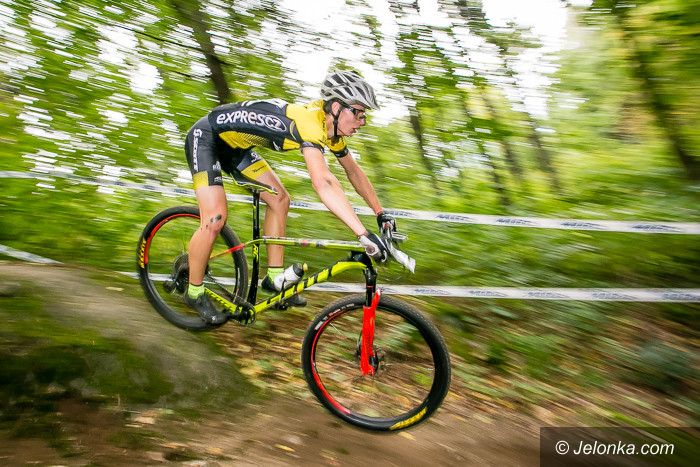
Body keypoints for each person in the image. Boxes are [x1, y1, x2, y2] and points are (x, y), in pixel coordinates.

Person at [183, 70, 397, 324]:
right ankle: (194, 291)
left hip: (236, 149)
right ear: (337, 108)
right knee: (215, 218)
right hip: (206, 138)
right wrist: (362, 234)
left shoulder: (331, 130)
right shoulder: (310, 122)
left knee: (280, 199)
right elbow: (324, 182)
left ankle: (274, 280)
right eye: (359, 113)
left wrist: (380, 212)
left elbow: (354, 172)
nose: (363, 121)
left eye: (364, 115)